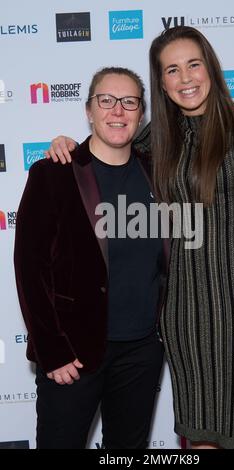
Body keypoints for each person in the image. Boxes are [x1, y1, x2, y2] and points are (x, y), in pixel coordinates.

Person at [45, 28, 234, 449]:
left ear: (210, 67)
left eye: (193, 64)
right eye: (172, 69)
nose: (185, 77)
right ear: (162, 82)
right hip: (180, 318)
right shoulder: (159, 139)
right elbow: (107, 145)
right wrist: (66, 145)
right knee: (198, 437)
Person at [14, 67, 166, 449]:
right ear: (89, 110)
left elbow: (198, 227)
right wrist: (53, 352)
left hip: (141, 351)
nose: (118, 110)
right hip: (73, 354)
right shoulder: (54, 173)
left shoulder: (159, 174)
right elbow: (31, 269)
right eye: (107, 100)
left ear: (141, 113)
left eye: (129, 101)